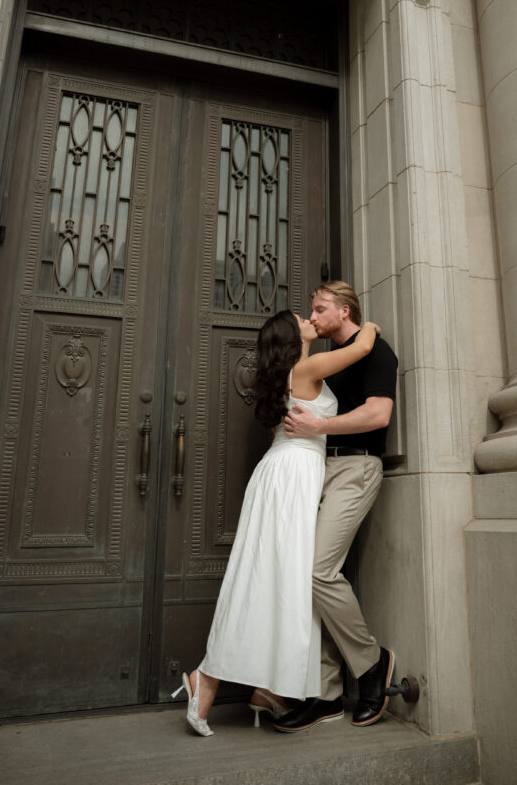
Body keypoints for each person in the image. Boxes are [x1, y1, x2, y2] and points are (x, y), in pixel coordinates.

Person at [173, 309, 380, 736]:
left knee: (277, 581)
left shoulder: (288, 373)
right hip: (292, 477)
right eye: (301, 318)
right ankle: (206, 679)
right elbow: (362, 346)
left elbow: (294, 407)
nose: (309, 318)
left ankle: (267, 689)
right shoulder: (306, 368)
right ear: (292, 337)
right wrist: (370, 323)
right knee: (278, 580)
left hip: (283, 474)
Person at [273, 281, 398, 733]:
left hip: (357, 470)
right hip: (319, 470)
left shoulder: (378, 353)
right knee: (307, 577)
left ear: (345, 312)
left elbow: (378, 415)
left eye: (321, 308)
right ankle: (325, 695)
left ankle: (371, 665)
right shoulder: (327, 361)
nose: (315, 315)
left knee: (317, 571)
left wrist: (321, 425)